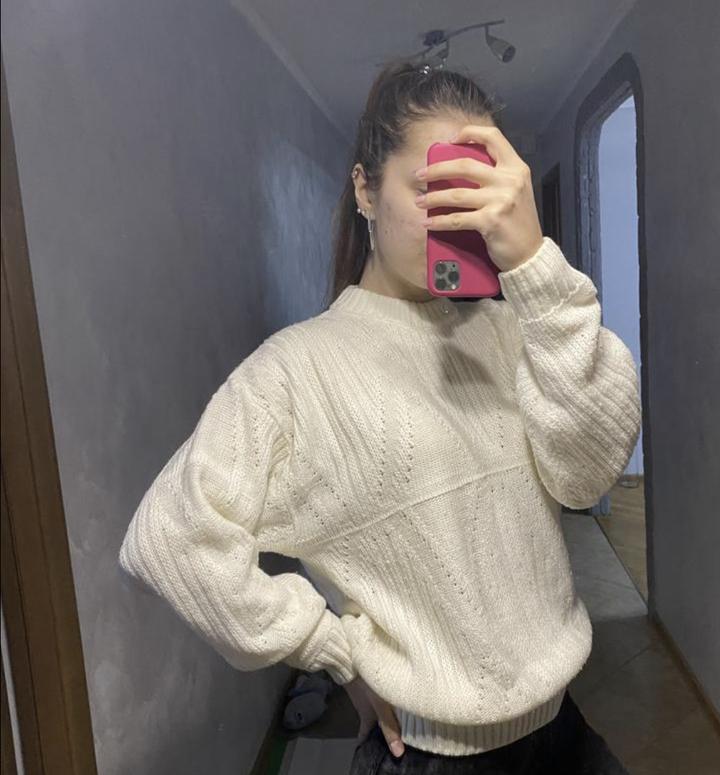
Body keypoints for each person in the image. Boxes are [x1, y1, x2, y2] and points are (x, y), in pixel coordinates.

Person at [118, 57, 640, 775]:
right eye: (434, 188)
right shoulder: (297, 371)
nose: (459, 215)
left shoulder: (515, 327)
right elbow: (170, 540)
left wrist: (535, 265)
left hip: (563, 732)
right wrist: (332, 650)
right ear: (366, 188)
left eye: (477, 191)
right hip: (429, 756)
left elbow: (587, 476)